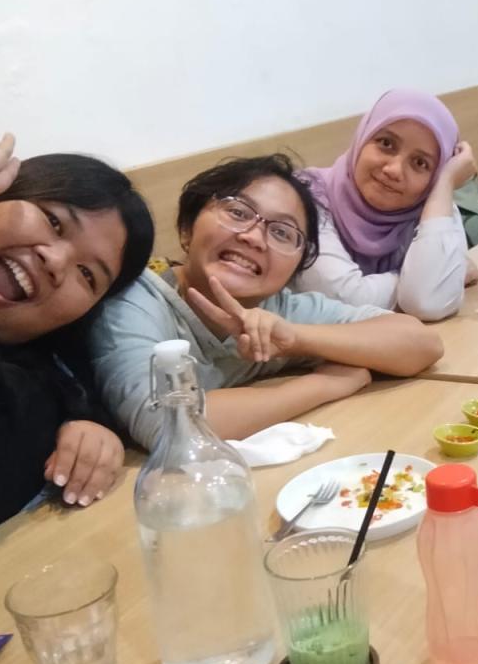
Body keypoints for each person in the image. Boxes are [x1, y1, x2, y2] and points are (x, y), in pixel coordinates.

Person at [90, 153, 443, 448]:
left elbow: (422, 343)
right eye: (238, 213)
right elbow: (169, 425)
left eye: (281, 232)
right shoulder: (137, 299)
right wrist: (322, 385)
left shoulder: (277, 308)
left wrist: (295, 338)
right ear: (187, 228)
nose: (255, 238)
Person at [0, 100, 154, 561]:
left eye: (88, 275)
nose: (55, 260)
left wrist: (94, 433)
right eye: (54, 221)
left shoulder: (48, 382)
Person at [295, 89, 478, 321]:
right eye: (386, 143)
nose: (393, 170)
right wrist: (420, 280)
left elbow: (428, 302)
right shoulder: (305, 198)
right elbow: (345, 299)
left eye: (420, 163)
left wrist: (445, 183)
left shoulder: (431, 203)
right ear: (363, 137)